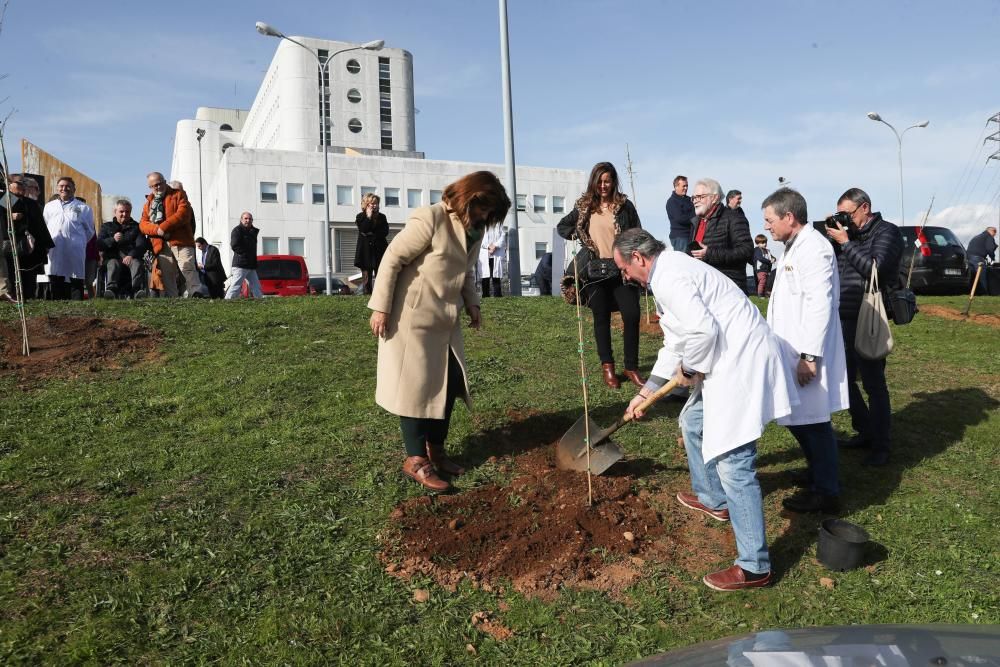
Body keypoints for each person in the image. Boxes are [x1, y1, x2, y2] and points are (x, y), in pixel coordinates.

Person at [614, 228, 796, 591]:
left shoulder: (671, 277)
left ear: (638, 258)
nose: (624, 276)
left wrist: (690, 369)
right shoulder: (669, 272)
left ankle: (754, 565)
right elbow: (677, 341)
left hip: (739, 363)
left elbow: (702, 333)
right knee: (692, 421)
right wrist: (648, 391)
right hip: (724, 359)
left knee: (734, 463)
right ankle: (713, 499)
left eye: (624, 268)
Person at [369, 171, 510, 491]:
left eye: (492, 214)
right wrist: (381, 307)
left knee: (448, 386)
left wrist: (473, 303)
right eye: (486, 209)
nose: (487, 217)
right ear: (472, 198)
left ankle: (437, 449)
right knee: (415, 389)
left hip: (445, 322)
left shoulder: (473, 232)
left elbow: (466, 273)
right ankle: (415, 459)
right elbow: (392, 258)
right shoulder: (431, 218)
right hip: (412, 320)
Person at [762, 188, 849, 513]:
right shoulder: (793, 248)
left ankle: (826, 491)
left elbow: (819, 304)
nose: (768, 227)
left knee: (813, 420)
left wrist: (809, 356)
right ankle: (817, 472)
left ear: (789, 217)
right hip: (793, 349)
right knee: (801, 418)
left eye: (770, 220)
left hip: (807, 353)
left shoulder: (814, 249)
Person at [826, 188, 903, 466]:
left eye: (847, 214)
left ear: (865, 208)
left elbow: (876, 270)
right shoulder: (850, 235)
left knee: (873, 383)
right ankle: (865, 430)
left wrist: (846, 242)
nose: (845, 219)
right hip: (843, 314)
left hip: (868, 316)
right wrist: (835, 238)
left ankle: (881, 445)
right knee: (843, 379)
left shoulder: (887, 232)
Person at [557, 161, 644, 389]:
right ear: (594, 182)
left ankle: (631, 366)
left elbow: (638, 233)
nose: (603, 185)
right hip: (594, 271)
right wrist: (580, 235)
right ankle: (608, 367)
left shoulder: (625, 206)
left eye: (607, 181)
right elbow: (562, 226)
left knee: (632, 314)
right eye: (600, 181)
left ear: (613, 182)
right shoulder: (584, 206)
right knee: (601, 317)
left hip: (621, 270)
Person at [139, 172, 200, 298]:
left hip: (181, 241)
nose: (157, 187)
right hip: (160, 244)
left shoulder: (179, 194)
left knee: (187, 267)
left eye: (160, 183)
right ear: (150, 187)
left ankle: (196, 293)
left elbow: (183, 215)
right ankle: (173, 299)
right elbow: (143, 224)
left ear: (165, 181)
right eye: (153, 185)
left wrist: (163, 227)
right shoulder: (148, 203)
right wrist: (157, 230)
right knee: (167, 274)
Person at [689, 178, 754, 290]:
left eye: (700, 196)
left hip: (729, 289)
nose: (695, 200)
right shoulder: (695, 222)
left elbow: (746, 251)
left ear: (714, 198)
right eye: (694, 197)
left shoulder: (734, 218)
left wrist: (709, 254)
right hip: (704, 287)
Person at [1, 174, 54, 302]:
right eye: (19, 183)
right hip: (10, 245)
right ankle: (12, 296)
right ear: (9, 185)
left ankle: (28, 298)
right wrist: (10, 217)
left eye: (24, 184)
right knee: (12, 273)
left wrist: (45, 244)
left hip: (30, 248)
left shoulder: (31, 203)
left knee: (29, 277)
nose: (23, 186)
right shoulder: (5, 200)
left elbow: (40, 226)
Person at [42, 176, 93, 300]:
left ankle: (77, 305)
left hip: (74, 248)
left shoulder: (84, 208)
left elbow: (89, 231)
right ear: (58, 188)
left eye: (67, 186)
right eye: (61, 186)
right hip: (55, 247)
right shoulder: (49, 206)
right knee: (55, 274)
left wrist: (78, 242)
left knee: (75, 276)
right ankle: (56, 303)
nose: (64, 188)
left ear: (74, 189)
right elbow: (44, 226)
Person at [97, 200, 146, 298]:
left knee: (136, 263)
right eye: (121, 211)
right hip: (112, 258)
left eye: (127, 212)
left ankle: (137, 291)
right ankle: (111, 290)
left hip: (131, 258)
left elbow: (141, 245)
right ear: (115, 212)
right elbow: (99, 244)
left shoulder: (137, 227)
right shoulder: (106, 226)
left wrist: (131, 255)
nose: (124, 214)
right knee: (113, 263)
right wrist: (112, 239)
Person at [354, 193, 389, 295]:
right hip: (365, 252)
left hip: (379, 251)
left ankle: (380, 298)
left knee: (381, 277)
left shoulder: (382, 217)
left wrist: (371, 233)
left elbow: (384, 232)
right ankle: (367, 297)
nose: (374, 205)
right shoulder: (360, 217)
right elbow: (363, 229)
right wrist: (368, 217)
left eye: (376, 203)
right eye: (371, 203)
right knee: (366, 279)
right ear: (366, 204)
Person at [225, 212, 263, 299]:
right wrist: (245, 255)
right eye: (245, 218)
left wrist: (251, 259)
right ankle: (226, 302)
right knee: (236, 285)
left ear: (252, 220)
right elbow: (234, 245)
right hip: (240, 264)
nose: (248, 220)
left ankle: (260, 301)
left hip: (251, 265)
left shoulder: (252, 232)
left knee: (256, 286)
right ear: (241, 219)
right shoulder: (237, 230)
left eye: (250, 219)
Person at [666, 175, 695, 252]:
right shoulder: (672, 202)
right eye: (684, 186)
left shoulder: (690, 200)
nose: (686, 188)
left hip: (691, 235)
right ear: (676, 186)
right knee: (684, 262)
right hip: (680, 237)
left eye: (687, 186)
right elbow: (680, 218)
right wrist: (695, 217)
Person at [478, 222, 507, 297]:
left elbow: (503, 236)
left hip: (496, 253)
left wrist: (495, 246)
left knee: (496, 276)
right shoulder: (483, 224)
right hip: (485, 253)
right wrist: (488, 246)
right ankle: (485, 295)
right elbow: (480, 238)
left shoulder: (499, 225)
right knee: (485, 276)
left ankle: (498, 295)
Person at [966, 226, 997, 293]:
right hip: (978, 259)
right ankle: (984, 293)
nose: (995, 235)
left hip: (969, 258)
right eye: (995, 233)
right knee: (982, 277)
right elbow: (990, 249)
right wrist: (993, 258)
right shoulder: (989, 236)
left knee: (973, 276)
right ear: (993, 231)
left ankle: (972, 292)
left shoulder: (977, 237)